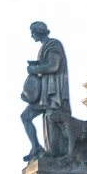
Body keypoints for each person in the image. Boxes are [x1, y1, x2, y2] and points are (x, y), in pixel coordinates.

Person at [20, 21, 71, 162]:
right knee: (25, 116)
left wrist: (35, 69)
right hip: (44, 91)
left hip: (53, 90)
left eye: (33, 32)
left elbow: (53, 66)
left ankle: (54, 152)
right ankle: (35, 147)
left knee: (51, 118)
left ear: (39, 31)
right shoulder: (43, 48)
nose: (32, 36)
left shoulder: (53, 44)